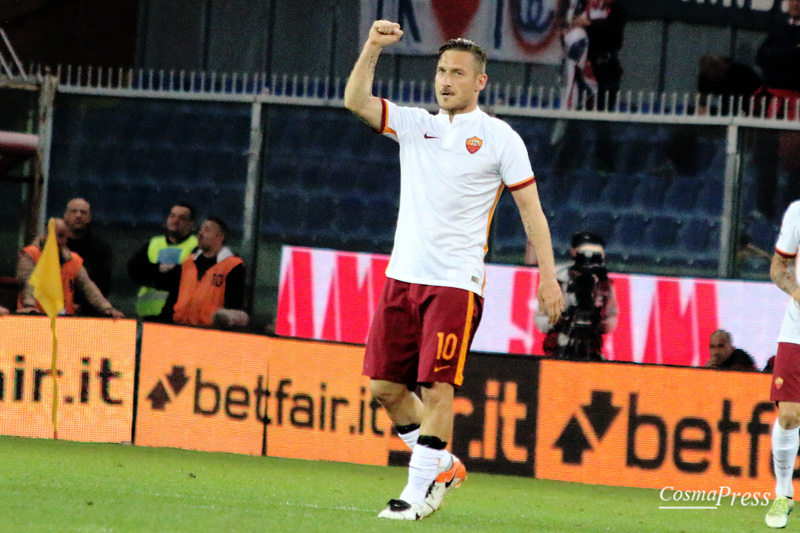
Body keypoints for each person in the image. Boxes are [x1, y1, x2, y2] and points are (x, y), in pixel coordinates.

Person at [344, 20, 564, 520]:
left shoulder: (499, 138)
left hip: (455, 283)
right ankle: (441, 463)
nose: (445, 80)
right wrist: (373, 48)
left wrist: (547, 276)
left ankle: (416, 494)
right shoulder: (415, 124)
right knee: (384, 388)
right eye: (441, 70)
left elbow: (532, 213)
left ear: (480, 82)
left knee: (437, 387)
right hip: (402, 276)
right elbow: (356, 101)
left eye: (457, 73)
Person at [764, 199, 800, 528]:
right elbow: (778, 268)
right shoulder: (798, 211)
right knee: (789, 416)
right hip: (797, 331)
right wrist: (798, 293)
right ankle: (782, 494)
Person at [534, 231, 617, 361]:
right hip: (560, 344)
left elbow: (612, 315)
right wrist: (555, 321)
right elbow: (540, 317)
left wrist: (604, 325)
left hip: (591, 347)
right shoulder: (557, 280)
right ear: (574, 252)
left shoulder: (604, 284)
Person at [16, 218, 123, 318]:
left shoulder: (73, 260)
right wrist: (28, 305)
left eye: (63, 236)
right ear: (45, 235)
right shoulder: (31, 255)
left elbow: (88, 286)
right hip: (33, 316)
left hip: (64, 319)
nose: (59, 241)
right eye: (56, 235)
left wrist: (106, 307)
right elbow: (26, 282)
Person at [167, 217, 248, 329]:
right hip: (180, 327)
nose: (201, 233)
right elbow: (173, 296)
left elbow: (235, 306)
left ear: (220, 237)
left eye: (207, 230)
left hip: (211, 331)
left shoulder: (232, 266)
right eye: (200, 229)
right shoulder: (188, 262)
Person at [128, 203, 198, 321]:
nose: (176, 220)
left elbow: (182, 277)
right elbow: (133, 269)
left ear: (192, 224)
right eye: (172, 216)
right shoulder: (154, 243)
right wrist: (158, 269)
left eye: (182, 218)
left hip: (179, 316)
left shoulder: (196, 246)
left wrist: (152, 276)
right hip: (148, 313)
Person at [562, 0, 626, 111]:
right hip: (580, 69)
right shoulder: (579, 7)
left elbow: (614, 39)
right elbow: (565, 32)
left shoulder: (616, 10)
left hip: (604, 70)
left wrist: (589, 24)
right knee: (573, 109)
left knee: (601, 113)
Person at [63, 198, 114, 316]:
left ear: (89, 218)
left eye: (83, 212)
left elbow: (102, 284)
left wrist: (82, 306)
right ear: (65, 216)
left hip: (89, 314)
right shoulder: (54, 246)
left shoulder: (101, 248)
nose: (78, 215)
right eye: (73, 211)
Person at [756, 0, 800, 119]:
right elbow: (760, 57)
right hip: (771, 98)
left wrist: (774, 55)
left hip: (794, 103)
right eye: (793, 0)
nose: (795, 4)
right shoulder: (779, 28)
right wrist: (789, 53)